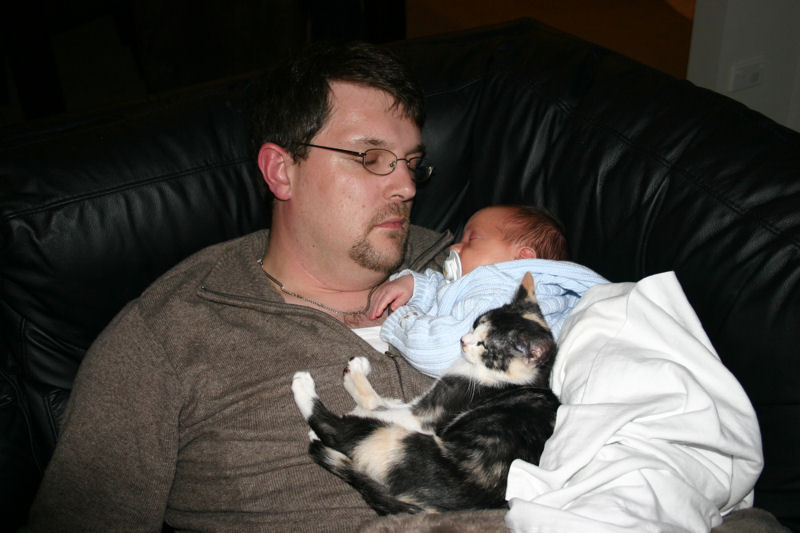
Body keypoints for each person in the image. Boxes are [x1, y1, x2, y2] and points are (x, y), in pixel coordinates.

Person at [23, 41, 454, 532]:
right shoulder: (167, 336)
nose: (407, 187)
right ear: (281, 171)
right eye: (371, 157)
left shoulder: (469, 262)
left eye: (411, 162)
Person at [369, 204, 608, 377]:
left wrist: (400, 317)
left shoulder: (500, 294)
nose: (454, 247)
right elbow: (450, 292)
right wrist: (414, 286)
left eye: (471, 239)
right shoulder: (496, 287)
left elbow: (440, 351)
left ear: (522, 258)